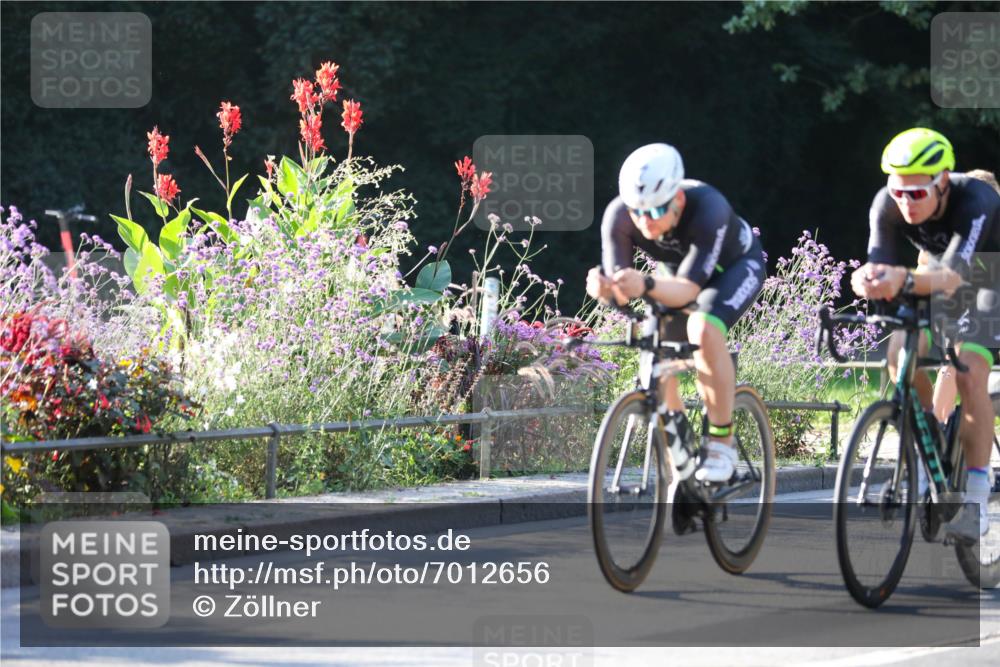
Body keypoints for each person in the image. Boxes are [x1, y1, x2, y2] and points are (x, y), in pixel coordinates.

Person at [850, 128, 1000, 542]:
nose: (905, 203)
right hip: (936, 274)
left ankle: (975, 495)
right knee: (899, 350)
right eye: (899, 193)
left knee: (968, 371)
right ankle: (931, 433)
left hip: (990, 278)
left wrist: (899, 277)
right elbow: (881, 261)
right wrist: (867, 279)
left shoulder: (978, 200)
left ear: (943, 182)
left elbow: (953, 275)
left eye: (916, 195)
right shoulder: (888, 203)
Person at [586, 143, 766, 483]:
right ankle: (682, 465)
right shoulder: (619, 216)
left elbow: (689, 291)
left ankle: (720, 443)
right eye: (637, 211)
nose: (644, 221)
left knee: (703, 328)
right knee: (654, 359)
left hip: (735, 269)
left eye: (654, 212)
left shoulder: (707, 206)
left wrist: (645, 284)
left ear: (678, 200)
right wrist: (606, 290)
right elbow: (626, 287)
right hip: (677, 278)